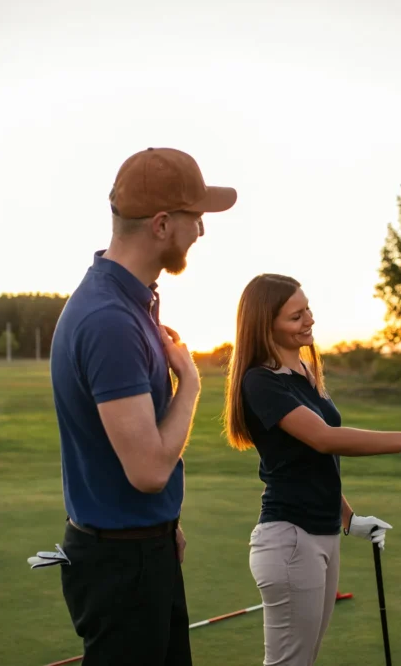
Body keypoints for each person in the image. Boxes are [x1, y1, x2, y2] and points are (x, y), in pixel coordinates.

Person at [49, 147, 236, 666]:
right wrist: (191, 383)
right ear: (160, 224)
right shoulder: (110, 319)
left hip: (143, 549)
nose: (200, 230)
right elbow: (150, 469)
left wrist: (162, 525)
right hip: (120, 565)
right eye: (194, 218)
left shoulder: (132, 302)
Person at [223, 273, 401, 666]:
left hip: (322, 536)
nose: (308, 319)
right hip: (291, 539)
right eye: (295, 316)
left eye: (307, 308)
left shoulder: (306, 375)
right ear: (266, 324)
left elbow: (314, 464)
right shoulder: (260, 381)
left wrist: (349, 519)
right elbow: (326, 439)